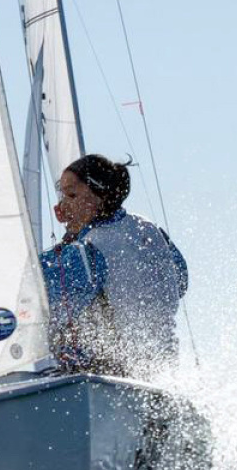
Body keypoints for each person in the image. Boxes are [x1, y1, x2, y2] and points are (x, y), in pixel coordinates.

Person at [38, 154, 188, 377]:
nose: (62, 207)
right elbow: (181, 283)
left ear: (100, 196)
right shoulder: (151, 230)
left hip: (116, 376)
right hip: (162, 372)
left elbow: (36, 292)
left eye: (71, 195)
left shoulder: (88, 250)